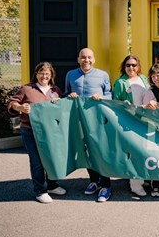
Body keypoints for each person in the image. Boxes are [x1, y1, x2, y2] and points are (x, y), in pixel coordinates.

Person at [8, 62, 66, 203]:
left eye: (47, 73)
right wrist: (20, 107)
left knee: (51, 158)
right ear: (36, 74)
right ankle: (40, 190)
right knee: (37, 161)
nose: (44, 76)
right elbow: (12, 103)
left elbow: (62, 109)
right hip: (30, 131)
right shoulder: (27, 89)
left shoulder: (55, 90)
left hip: (51, 131)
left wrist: (59, 103)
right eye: (41, 73)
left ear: (51, 75)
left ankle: (52, 185)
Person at [64, 48, 112, 202]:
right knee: (86, 151)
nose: (86, 60)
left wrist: (101, 97)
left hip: (97, 120)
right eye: (83, 57)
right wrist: (69, 95)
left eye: (89, 57)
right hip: (78, 119)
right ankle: (94, 181)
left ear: (94, 59)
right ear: (78, 59)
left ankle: (106, 185)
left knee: (100, 151)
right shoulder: (70, 75)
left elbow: (110, 95)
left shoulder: (103, 75)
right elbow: (65, 93)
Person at [113, 54, 150, 197]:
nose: (131, 68)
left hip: (144, 120)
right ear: (124, 67)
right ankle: (135, 184)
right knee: (133, 152)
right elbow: (116, 103)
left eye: (134, 65)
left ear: (138, 66)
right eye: (128, 65)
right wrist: (124, 106)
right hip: (130, 121)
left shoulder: (143, 79)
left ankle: (142, 177)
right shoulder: (120, 82)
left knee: (144, 150)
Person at [141, 63, 159, 197]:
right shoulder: (149, 92)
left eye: (158, 75)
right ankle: (156, 184)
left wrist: (158, 104)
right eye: (153, 76)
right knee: (156, 155)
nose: (156, 78)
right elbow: (145, 108)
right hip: (155, 126)